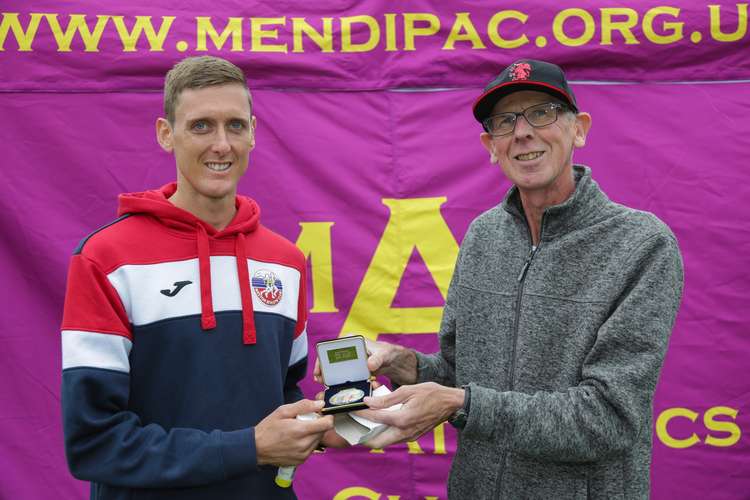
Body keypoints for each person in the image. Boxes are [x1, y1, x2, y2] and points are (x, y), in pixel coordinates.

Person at [353, 60, 684, 498]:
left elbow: (608, 418)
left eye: (542, 112)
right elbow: (457, 375)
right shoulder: (483, 235)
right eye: (506, 121)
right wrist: (403, 363)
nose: (523, 132)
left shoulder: (642, 245)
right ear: (491, 145)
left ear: (579, 129)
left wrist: (462, 404)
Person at [60, 56, 334, 500]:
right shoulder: (107, 259)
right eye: (201, 126)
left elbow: (283, 398)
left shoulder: (285, 261)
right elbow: (94, 443)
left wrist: (337, 423)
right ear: (166, 134)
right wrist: (247, 448)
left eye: (236, 125)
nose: (221, 144)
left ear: (254, 132)